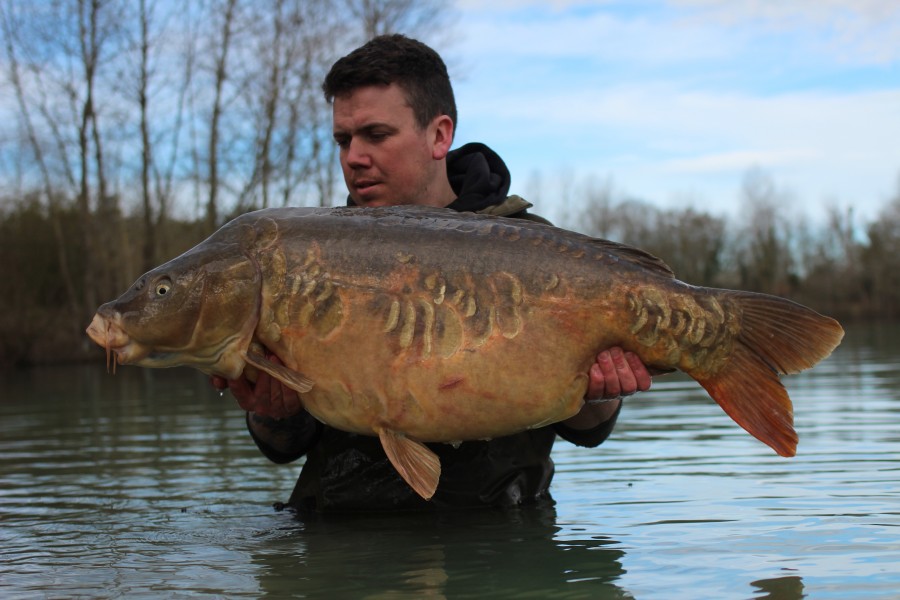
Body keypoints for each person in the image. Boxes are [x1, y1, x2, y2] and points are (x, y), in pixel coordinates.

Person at [213, 34, 651, 512]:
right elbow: (283, 446)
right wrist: (272, 411)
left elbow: (590, 431)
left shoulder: (532, 248)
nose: (353, 156)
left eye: (376, 135)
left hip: (501, 540)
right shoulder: (307, 261)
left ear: (439, 135)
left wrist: (600, 391)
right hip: (344, 540)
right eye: (343, 139)